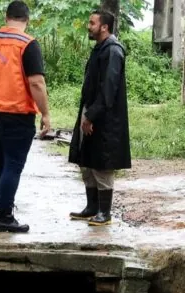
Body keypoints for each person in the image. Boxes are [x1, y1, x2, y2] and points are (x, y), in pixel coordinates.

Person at [0, 0, 51, 233]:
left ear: (5, 16)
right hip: (17, 113)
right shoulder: (27, 44)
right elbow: (36, 82)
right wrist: (46, 113)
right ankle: (5, 216)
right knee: (12, 164)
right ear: (26, 19)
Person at [68, 10, 131, 226]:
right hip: (91, 112)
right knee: (87, 162)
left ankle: (105, 212)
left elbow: (109, 90)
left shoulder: (113, 51)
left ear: (104, 27)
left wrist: (92, 115)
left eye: (92, 23)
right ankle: (92, 208)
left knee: (102, 164)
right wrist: (87, 114)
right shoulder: (99, 49)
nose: (89, 26)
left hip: (105, 118)